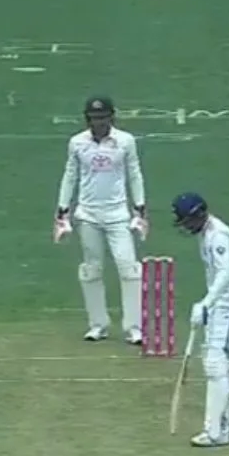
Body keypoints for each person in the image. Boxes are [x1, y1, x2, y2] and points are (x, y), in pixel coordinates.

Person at [54, 96, 148, 344]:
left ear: (111, 117)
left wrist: (140, 207)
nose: (99, 123)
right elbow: (70, 175)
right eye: (94, 119)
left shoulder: (125, 141)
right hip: (88, 214)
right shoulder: (77, 143)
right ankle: (98, 325)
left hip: (118, 215)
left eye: (103, 118)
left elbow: (135, 174)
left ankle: (134, 327)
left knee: (129, 269)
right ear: (88, 119)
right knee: (91, 270)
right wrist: (62, 210)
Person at [173, 192, 229, 447]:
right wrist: (209, 305)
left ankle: (216, 432)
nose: (184, 226)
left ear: (197, 216)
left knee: (217, 362)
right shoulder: (206, 233)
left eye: (186, 220)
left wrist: (206, 302)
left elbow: (224, 274)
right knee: (217, 361)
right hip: (221, 303)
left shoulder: (217, 235)